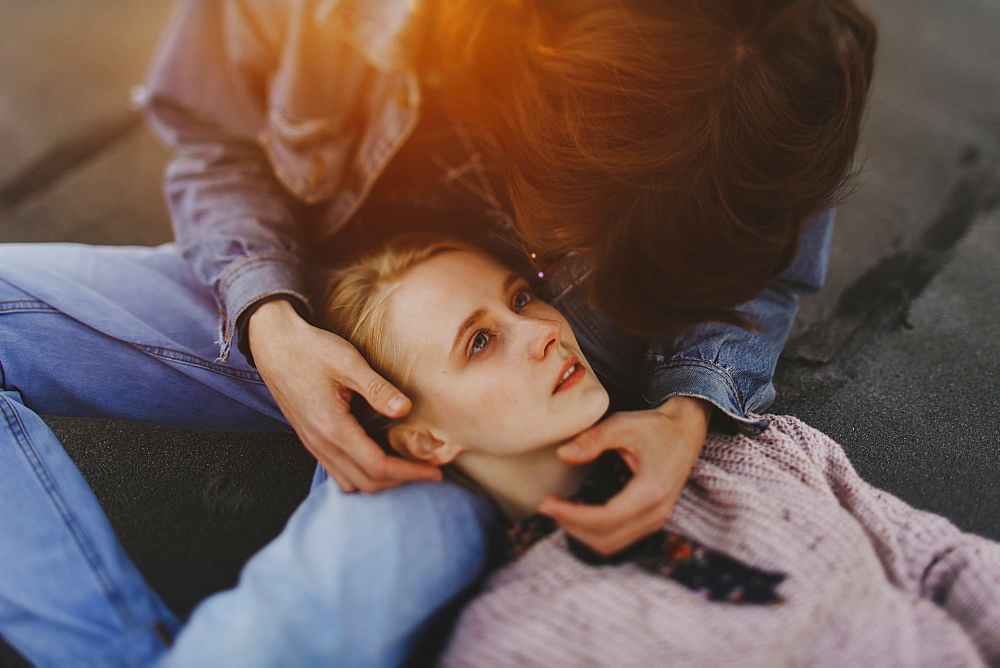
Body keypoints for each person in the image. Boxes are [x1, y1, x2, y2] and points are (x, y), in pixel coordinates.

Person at [0, 0, 876, 662]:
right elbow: (208, 135)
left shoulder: (772, 63)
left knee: (281, 639)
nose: (564, 246)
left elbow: (753, 266)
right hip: (307, 280)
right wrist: (268, 316)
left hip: (483, 428)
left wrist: (692, 407)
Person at [288, 234, 997, 665]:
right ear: (424, 435)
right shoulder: (514, 643)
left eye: (522, 298)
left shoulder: (758, 453)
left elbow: (944, 565)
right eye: (479, 341)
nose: (540, 331)